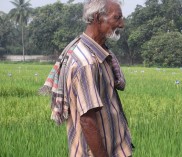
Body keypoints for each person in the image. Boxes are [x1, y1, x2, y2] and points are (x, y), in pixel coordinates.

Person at [39, 0, 133, 156]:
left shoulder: (98, 53)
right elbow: (87, 120)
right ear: (97, 17)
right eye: (117, 18)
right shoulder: (86, 63)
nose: (122, 24)